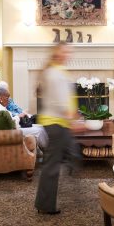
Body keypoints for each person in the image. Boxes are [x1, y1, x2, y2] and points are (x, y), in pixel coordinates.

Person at [34, 42, 83, 215]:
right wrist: (72, 120)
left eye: (69, 51)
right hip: (56, 122)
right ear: (57, 53)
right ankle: (46, 205)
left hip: (56, 122)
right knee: (52, 166)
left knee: (55, 161)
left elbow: (65, 98)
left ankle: (73, 160)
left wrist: (72, 116)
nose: (69, 54)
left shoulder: (56, 71)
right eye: (65, 51)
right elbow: (60, 100)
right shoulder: (55, 73)